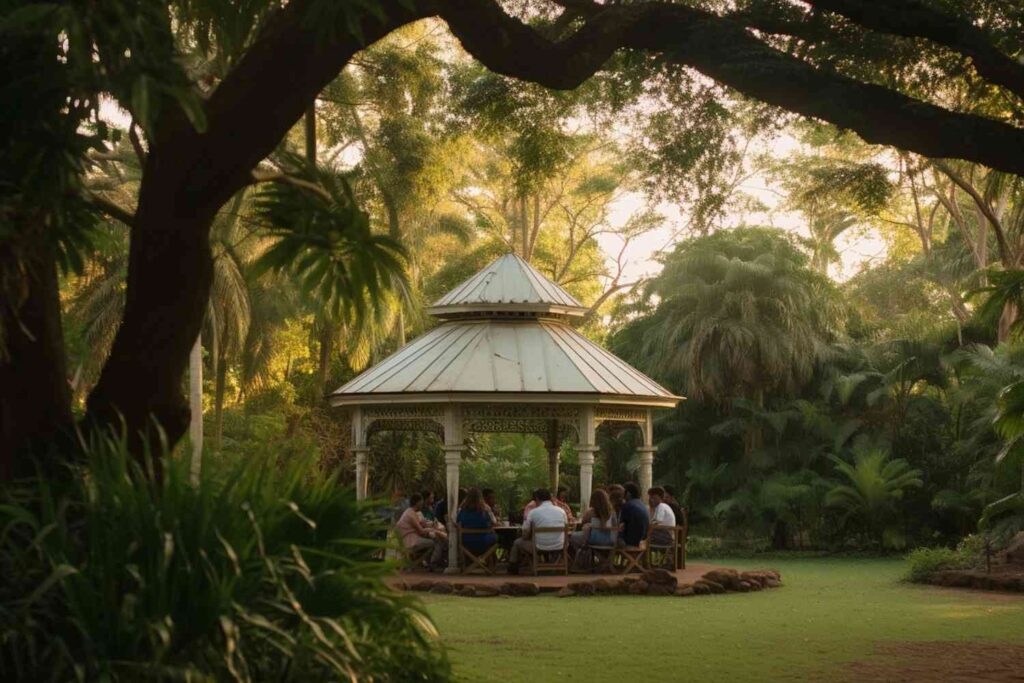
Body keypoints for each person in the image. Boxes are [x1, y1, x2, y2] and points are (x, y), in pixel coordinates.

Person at [509, 489, 568, 574]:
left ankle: (513, 568)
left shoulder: (533, 513)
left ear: (537, 498)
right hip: (560, 545)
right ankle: (557, 566)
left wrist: (527, 536)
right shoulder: (561, 511)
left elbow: (525, 533)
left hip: (539, 546)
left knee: (517, 542)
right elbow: (566, 526)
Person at [395, 493, 446, 567]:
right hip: (409, 541)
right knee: (434, 542)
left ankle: (428, 562)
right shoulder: (411, 514)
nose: (422, 505)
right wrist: (435, 530)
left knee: (434, 540)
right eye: (421, 503)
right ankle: (431, 563)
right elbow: (421, 530)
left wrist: (430, 526)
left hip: (407, 538)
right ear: (418, 503)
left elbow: (421, 524)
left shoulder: (410, 512)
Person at [570, 489, 617, 566]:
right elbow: (615, 526)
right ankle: (599, 559)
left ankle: (580, 560)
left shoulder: (591, 512)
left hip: (593, 539)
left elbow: (582, 522)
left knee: (572, 537)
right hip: (610, 540)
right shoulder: (612, 513)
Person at [456, 487, 498, 558]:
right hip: (484, 542)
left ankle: (470, 561)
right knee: (496, 537)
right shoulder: (485, 511)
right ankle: (489, 561)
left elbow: (457, 522)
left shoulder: (461, 511)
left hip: (466, 543)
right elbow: (494, 522)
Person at [617, 482, 649, 548]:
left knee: (606, 540)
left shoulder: (627, 506)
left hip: (630, 543)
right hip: (642, 543)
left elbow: (620, 525)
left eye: (622, 493)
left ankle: (603, 558)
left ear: (628, 494)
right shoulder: (643, 505)